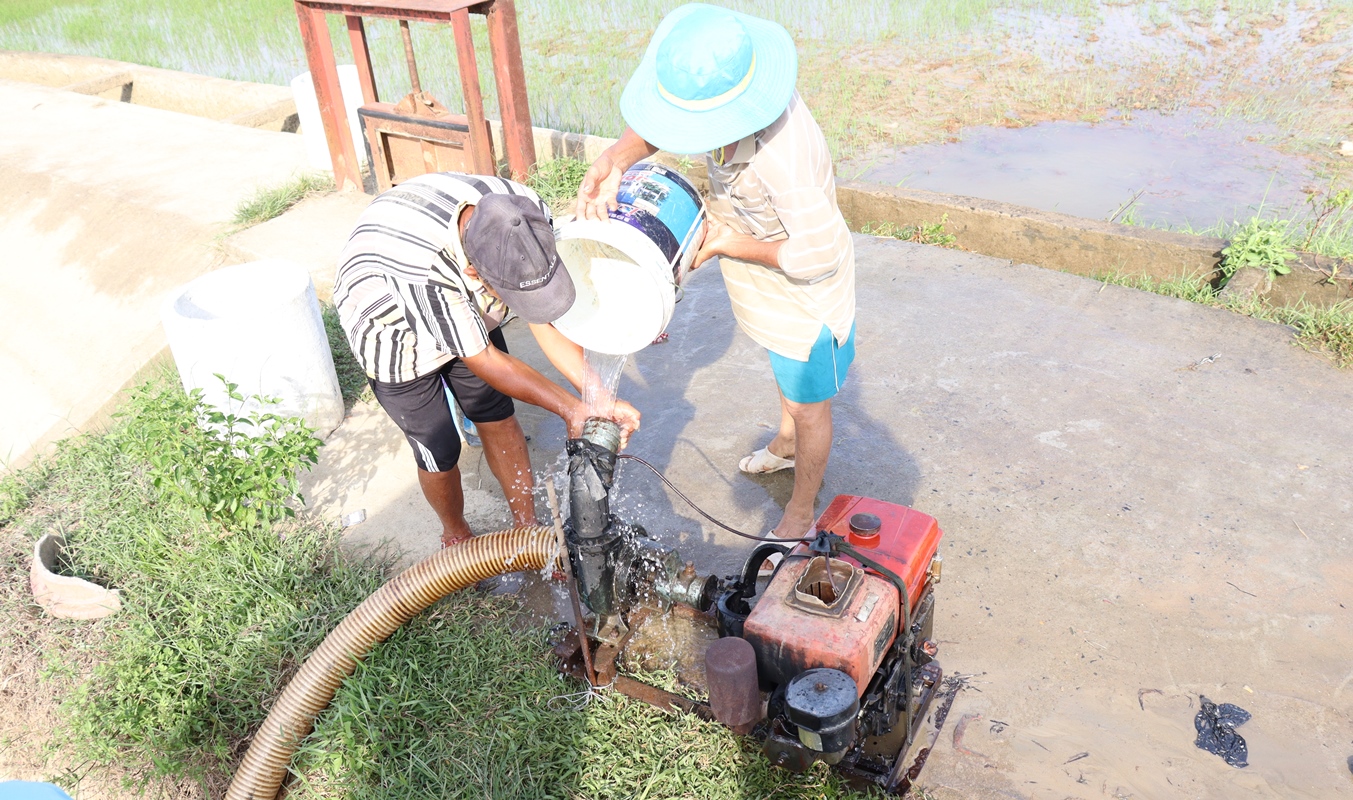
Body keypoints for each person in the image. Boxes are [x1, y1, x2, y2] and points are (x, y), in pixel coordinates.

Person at [575, 4, 855, 545]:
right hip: (760, 265)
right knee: (781, 368)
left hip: (806, 290)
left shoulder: (787, 161)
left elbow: (815, 254)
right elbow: (662, 124)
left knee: (809, 399)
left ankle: (801, 511)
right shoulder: (729, 106)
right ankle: (785, 440)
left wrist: (729, 243)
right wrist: (616, 157)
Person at [336, 172, 639, 548]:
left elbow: (540, 318)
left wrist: (596, 397)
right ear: (473, 273)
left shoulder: (520, 213)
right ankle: (455, 531)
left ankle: (526, 527)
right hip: (393, 329)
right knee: (438, 447)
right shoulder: (426, 269)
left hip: (460, 302)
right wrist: (570, 408)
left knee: (494, 412)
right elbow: (485, 359)